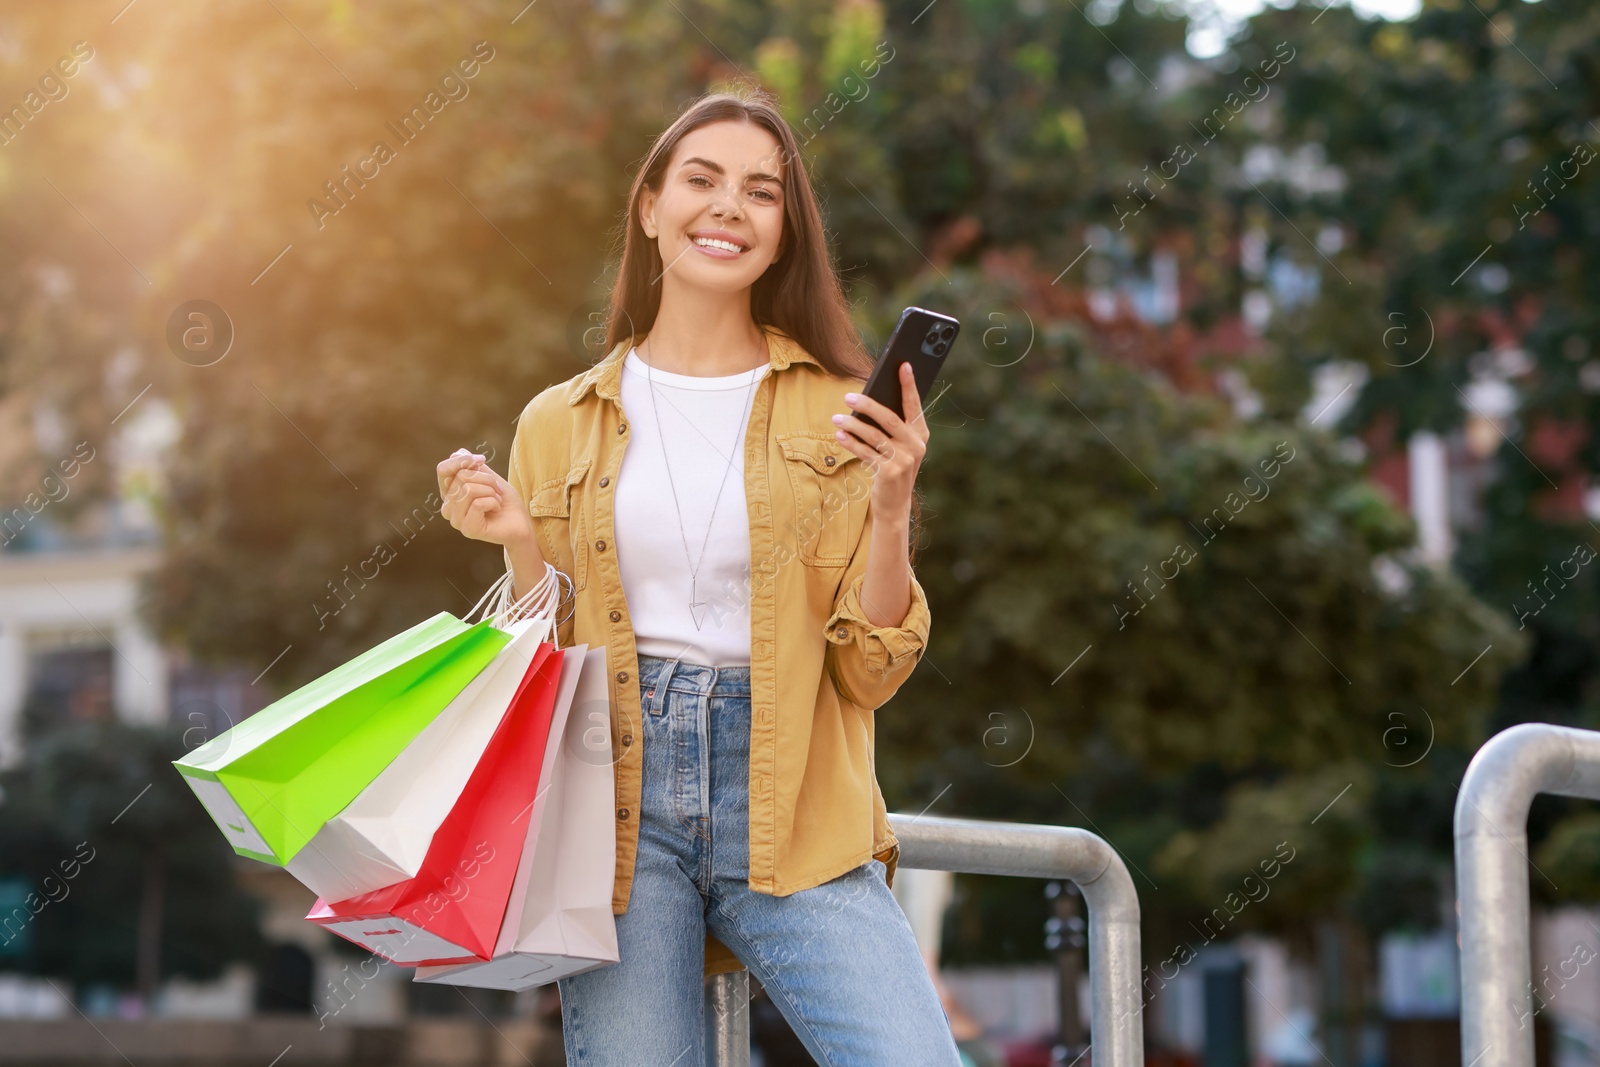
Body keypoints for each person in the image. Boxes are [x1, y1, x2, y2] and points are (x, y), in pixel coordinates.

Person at [435, 86, 959, 1066]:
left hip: (798, 798)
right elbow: (533, 663)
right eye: (702, 179)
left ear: (783, 233)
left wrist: (892, 507)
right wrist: (515, 537)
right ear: (650, 204)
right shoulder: (560, 420)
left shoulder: (838, 412)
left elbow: (871, 671)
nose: (729, 206)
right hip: (618, 815)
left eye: (761, 192)